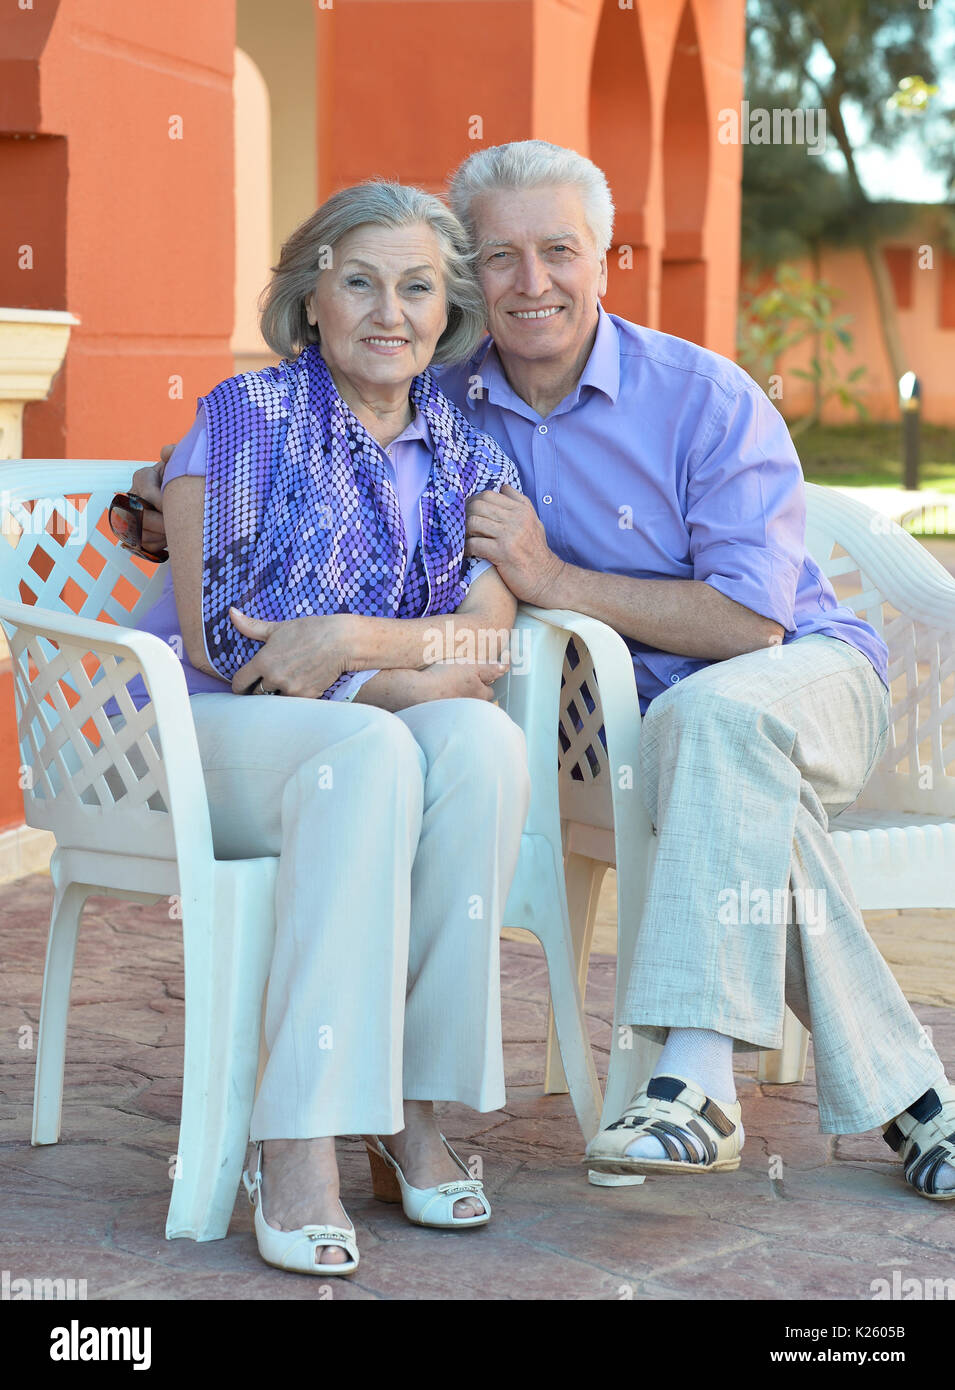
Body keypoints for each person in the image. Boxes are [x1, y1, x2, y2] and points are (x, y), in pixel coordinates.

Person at [133, 142, 955, 1205]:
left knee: (714, 723)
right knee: (725, 776)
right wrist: (162, 489)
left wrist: (550, 572)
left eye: (558, 250)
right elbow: (270, 438)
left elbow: (751, 620)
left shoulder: (701, 396)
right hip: (625, 729)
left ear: (604, 259)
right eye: (501, 256)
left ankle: (695, 1072)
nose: (532, 283)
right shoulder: (444, 394)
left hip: (797, 674)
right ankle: (919, 1101)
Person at [128, 179, 531, 1276]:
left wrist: (352, 643)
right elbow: (223, 637)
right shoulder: (243, 417)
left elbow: (486, 646)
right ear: (312, 298)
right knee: (377, 748)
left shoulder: (468, 451)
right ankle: (292, 1133)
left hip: (347, 728)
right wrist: (412, 672)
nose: (388, 312)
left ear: (447, 315)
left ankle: (408, 1107)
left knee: (486, 747)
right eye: (359, 282)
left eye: (416, 288)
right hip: (207, 730)